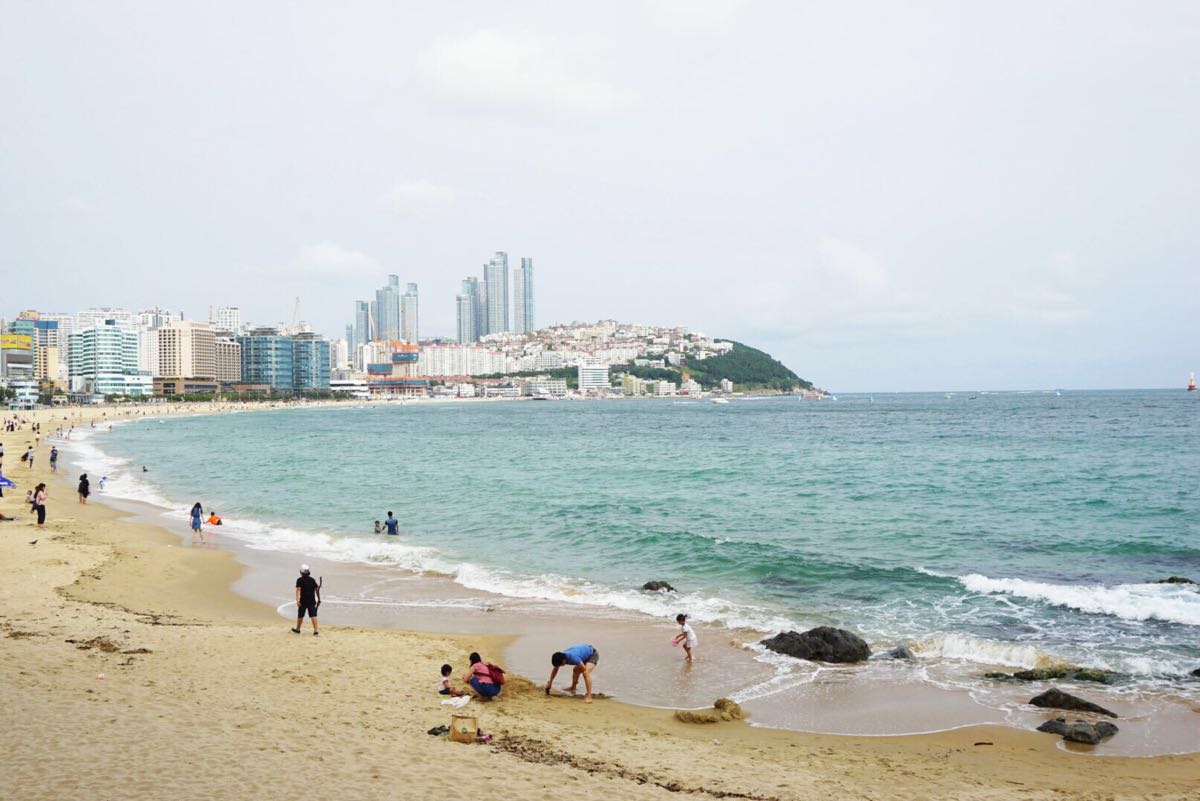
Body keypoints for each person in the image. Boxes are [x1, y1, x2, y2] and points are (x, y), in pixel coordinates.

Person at [291, 564, 320, 635]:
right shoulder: (312, 580)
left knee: (300, 615)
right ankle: (316, 631)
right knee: (313, 615)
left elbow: (298, 590)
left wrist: (297, 600)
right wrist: (319, 599)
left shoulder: (299, 580)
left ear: (301, 572)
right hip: (311, 600)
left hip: (303, 601)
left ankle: (298, 629)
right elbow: (317, 590)